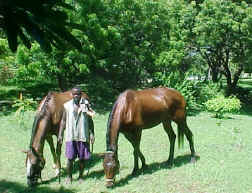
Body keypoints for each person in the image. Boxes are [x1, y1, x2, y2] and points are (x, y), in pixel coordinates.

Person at [58, 86, 95, 184]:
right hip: (71, 135)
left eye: (78, 94)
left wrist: (92, 133)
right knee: (70, 158)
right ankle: (69, 177)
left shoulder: (86, 105)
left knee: (82, 158)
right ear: (71, 95)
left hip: (83, 135)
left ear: (81, 94)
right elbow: (63, 121)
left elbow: (90, 120)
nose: (76, 96)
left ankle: (81, 176)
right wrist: (60, 134)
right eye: (74, 94)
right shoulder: (67, 106)